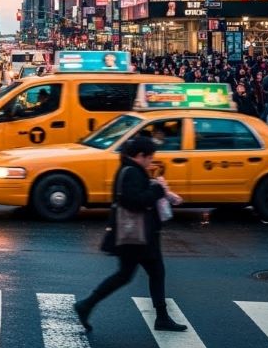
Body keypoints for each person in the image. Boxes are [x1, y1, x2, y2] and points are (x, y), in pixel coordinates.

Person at [74, 136, 187, 333]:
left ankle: (161, 317)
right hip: (136, 237)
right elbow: (133, 201)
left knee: (152, 273)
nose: (151, 161)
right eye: (150, 157)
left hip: (141, 236)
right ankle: (86, 304)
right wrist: (157, 191)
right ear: (140, 156)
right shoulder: (131, 172)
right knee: (128, 275)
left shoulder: (129, 169)